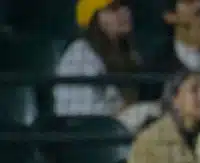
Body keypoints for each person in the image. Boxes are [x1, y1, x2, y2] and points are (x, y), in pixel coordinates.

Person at [55, 0, 156, 130]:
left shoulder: (129, 54)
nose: (124, 12)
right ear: (93, 18)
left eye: (125, 5)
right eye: (113, 9)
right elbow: (82, 119)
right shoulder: (80, 55)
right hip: (90, 143)